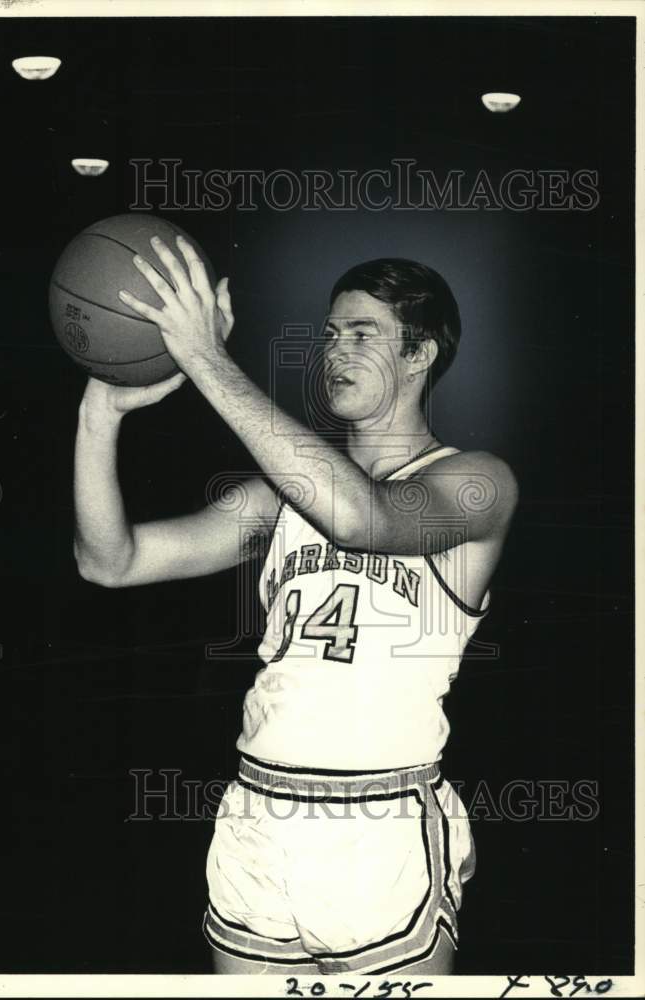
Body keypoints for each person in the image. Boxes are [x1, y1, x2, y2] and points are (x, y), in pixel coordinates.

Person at [73, 234, 518, 976]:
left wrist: (206, 357)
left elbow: (364, 518)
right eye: (331, 333)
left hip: (380, 821)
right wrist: (100, 414)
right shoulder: (274, 499)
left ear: (421, 354)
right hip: (258, 809)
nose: (335, 349)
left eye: (363, 333)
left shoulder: (476, 482)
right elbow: (109, 562)